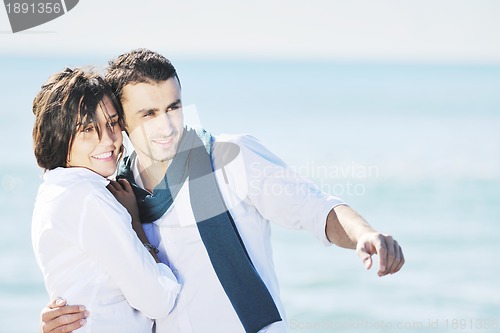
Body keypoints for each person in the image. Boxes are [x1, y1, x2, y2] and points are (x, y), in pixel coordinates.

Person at [40, 50, 405, 333]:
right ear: (121, 121)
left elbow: (315, 209)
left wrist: (364, 234)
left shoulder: (227, 157)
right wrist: (62, 318)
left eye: (173, 107)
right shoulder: (117, 194)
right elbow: (105, 286)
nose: (166, 126)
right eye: (148, 114)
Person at [32, 67, 181, 333]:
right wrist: (135, 225)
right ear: (60, 135)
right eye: (88, 129)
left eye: (113, 123)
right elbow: (158, 301)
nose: (109, 139)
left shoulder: (53, 191)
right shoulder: (88, 198)